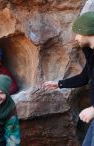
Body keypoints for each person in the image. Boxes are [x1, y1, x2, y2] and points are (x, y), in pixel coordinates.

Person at [42, 11, 94, 146]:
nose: (75, 37)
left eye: (78, 33)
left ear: (88, 32)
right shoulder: (91, 54)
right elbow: (85, 77)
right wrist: (59, 84)